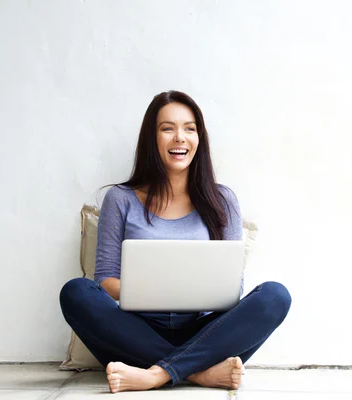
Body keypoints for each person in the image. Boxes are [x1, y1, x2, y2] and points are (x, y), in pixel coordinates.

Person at [59, 90, 291, 393]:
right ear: (151, 139)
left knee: (275, 296)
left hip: (206, 333)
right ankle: (197, 373)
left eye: (189, 128)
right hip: (135, 332)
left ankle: (155, 374)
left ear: (199, 138)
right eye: (167, 128)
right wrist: (151, 291)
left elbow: (232, 287)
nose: (179, 137)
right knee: (76, 292)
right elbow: (105, 280)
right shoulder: (120, 199)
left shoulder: (223, 201)